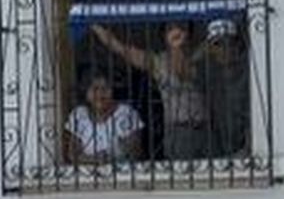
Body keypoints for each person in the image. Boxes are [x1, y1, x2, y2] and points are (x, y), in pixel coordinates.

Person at [90, 22, 209, 160]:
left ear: (190, 33)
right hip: (179, 131)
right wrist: (92, 23)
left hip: (206, 128)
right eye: (171, 29)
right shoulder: (158, 62)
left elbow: (183, 72)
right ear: (164, 36)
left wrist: (177, 48)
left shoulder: (200, 56)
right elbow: (121, 49)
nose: (177, 33)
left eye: (181, 28)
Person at [64, 73, 144, 164]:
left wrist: (122, 150)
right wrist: (95, 159)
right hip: (86, 175)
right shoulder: (79, 115)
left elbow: (136, 152)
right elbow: (72, 155)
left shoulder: (126, 113)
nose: (100, 93)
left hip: (122, 174)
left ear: (112, 91)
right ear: (86, 93)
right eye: (95, 88)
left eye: (105, 88)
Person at [204, 18, 251, 157]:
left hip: (247, 155)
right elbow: (188, 67)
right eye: (217, 45)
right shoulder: (212, 77)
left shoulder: (248, 75)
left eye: (227, 43)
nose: (223, 49)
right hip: (222, 152)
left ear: (236, 45)